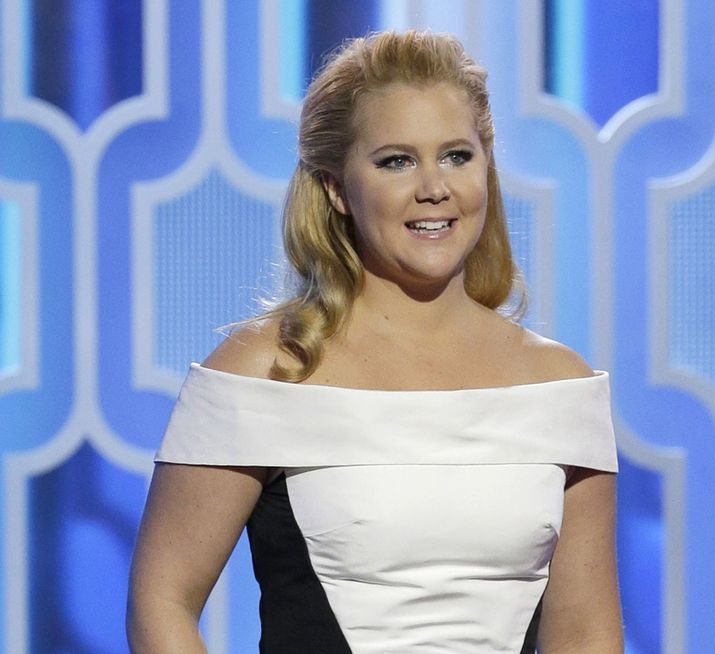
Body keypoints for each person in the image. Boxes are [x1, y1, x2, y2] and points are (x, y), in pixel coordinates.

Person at [126, 30, 623, 653]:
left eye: (456, 156)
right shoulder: (266, 369)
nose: (433, 187)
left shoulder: (560, 385)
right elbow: (161, 602)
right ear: (336, 187)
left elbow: (587, 634)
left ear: (487, 167)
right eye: (396, 160)